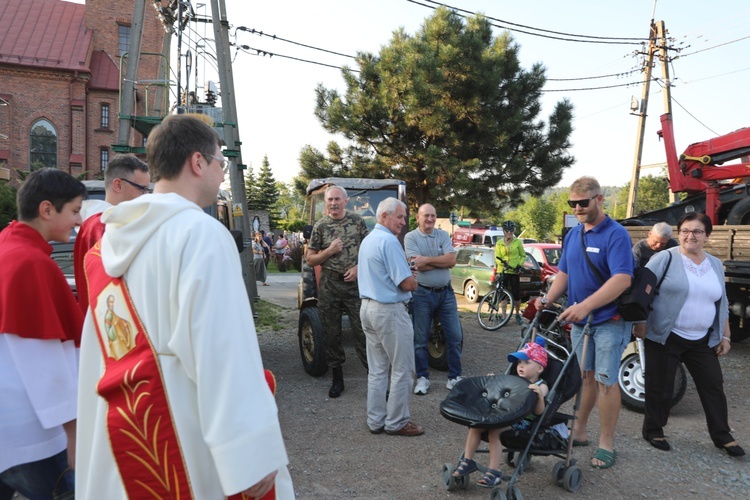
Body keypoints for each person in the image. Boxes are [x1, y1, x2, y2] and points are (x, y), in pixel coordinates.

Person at [75, 114, 293, 498]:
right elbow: (222, 352)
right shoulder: (201, 234)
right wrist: (250, 454)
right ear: (197, 162)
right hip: (184, 436)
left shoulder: (105, 246)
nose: (223, 175)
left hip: (124, 443)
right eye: (220, 163)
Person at [535, 176, 633, 469]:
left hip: (608, 320)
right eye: (572, 203)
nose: (577, 208)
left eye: (583, 202)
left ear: (599, 199)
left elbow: (623, 278)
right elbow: (564, 273)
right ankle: (578, 432)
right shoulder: (573, 235)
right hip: (581, 322)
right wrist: (548, 299)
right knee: (584, 378)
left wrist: (586, 306)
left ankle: (606, 444)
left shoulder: (616, 234)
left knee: (605, 381)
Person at [0, 168, 85, 499]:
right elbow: (44, 365)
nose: (78, 221)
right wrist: (75, 434)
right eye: (75, 210)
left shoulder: (8, 244)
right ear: (47, 209)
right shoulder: (33, 264)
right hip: (33, 431)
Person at [638, 213, 744, 457]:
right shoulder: (664, 258)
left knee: (713, 385)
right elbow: (641, 292)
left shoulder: (715, 264)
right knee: (661, 387)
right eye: (685, 230)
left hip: (701, 340)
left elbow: (722, 302)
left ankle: (722, 436)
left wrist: (725, 335)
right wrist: (639, 323)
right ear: (679, 233)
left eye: (697, 231)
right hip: (666, 335)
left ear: (707, 235)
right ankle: (653, 430)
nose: (690, 236)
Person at [358, 197, 424, 436]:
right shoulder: (389, 241)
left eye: (404, 217)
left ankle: (375, 420)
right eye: (400, 217)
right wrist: (413, 279)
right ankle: (396, 422)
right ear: (384, 216)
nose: (403, 222)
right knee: (403, 369)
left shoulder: (368, 240)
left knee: (377, 369)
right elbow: (407, 284)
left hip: (368, 308)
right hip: (389, 311)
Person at [452, 337, 549, 488]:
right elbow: (498, 395)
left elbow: (539, 412)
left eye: (527, 362)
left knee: (494, 432)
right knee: (475, 426)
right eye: (519, 363)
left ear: (540, 368)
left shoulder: (540, 386)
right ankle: (467, 461)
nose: (521, 366)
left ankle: (493, 472)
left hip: (522, 422)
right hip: (503, 416)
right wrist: (493, 382)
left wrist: (538, 396)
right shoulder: (513, 380)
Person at [306, 185, 369, 398]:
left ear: (346, 201)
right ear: (326, 202)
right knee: (331, 334)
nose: (333, 203)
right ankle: (337, 379)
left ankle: (374, 378)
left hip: (354, 286)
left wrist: (359, 268)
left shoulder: (357, 222)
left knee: (363, 331)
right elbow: (310, 259)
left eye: (337, 199)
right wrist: (329, 250)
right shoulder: (320, 226)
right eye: (330, 200)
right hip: (329, 286)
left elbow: (370, 251)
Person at [74, 154, 150, 314]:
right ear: (118, 185)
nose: (146, 197)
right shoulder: (103, 226)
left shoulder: (95, 222)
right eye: (142, 189)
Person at [405, 203, 463, 395]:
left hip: (446, 294)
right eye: (425, 216)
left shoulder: (443, 235)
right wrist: (441, 262)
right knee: (420, 339)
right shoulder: (410, 237)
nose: (429, 219)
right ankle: (422, 378)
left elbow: (452, 261)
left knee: (455, 337)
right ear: (418, 218)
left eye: (432, 216)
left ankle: (454, 377)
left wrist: (427, 260)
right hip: (422, 294)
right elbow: (415, 265)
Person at [495, 220, 526, 325]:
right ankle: (504, 316)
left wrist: (519, 265)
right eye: (507, 230)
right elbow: (497, 257)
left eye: (511, 230)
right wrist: (503, 263)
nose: (509, 232)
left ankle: (517, 314)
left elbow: (523, 255)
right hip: (503, 270)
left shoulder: (517, 242)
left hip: (514, 271)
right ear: (503, 231)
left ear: (514, 230)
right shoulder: (499, 243)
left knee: (516, 294)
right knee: (503, 295)